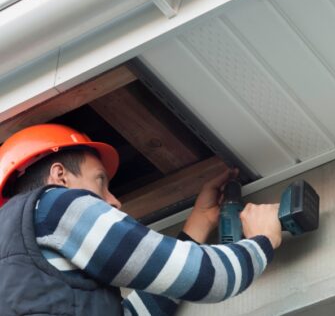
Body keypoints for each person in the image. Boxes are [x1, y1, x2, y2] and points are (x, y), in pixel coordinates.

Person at [0, 123, 282, 315]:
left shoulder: (21, 263)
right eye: (101, 182)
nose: (114, 201)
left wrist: (199, 222)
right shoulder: (55, 204)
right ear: (60, 176)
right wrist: (263, 240)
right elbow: (209, 279)